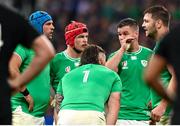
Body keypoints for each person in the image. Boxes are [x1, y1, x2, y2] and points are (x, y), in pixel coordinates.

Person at [0, 5, 55, 124]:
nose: (53, 27)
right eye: (48, 24)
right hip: (23, 112)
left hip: (37, 116)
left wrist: (47, 97)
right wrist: (26, 93)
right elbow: (12, 67)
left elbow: (40, 81)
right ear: (38, 26)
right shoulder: (23, 47)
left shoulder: (40, 51)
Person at [55, 44, 122, 125]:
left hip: (65, 116)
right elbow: (113, 108)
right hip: (92, 116)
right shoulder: (112, 75)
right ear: (100, 60)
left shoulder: (66, 76)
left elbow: (57, 106)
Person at [106, 18, 153, 125]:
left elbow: (161, 79)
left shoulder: (149, 54)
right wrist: (122, 49)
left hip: (145, 116)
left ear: (136, 34)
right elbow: (106, 73)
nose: (121, 37)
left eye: (125, 34)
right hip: (121, 116)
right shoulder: (115, 56)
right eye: (119, 34)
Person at [142, 5, 176, 124]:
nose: (143, 25)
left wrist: (162, 106)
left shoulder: (169, 45)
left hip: (168, 113)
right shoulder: (160, 46)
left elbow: (176, 76)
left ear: (158, 23)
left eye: (146, 21)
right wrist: (154, 99)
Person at [50, 21, 89, 123]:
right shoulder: (56, 60)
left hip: (87, 115)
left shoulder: (91, 60)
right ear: (71, 39)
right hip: (63, 115)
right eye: (81, 37)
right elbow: (44, 83)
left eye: (86, 36)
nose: (85, 40)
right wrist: (52, 101)